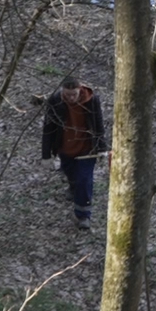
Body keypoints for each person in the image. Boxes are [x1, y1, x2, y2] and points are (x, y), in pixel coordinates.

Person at [40, 77, 106, 229]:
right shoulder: (55, 101)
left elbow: (98, 124)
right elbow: (48, 128)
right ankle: (73, 187)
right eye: (67, 94)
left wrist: (102, 148)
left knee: (84, 179)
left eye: (74, 94)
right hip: (65, 148)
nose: (70, 98)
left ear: (80, 90)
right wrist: (46, 155)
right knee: (72, 175)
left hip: (87, 148)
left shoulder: (92, 100)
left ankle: (83, 215)